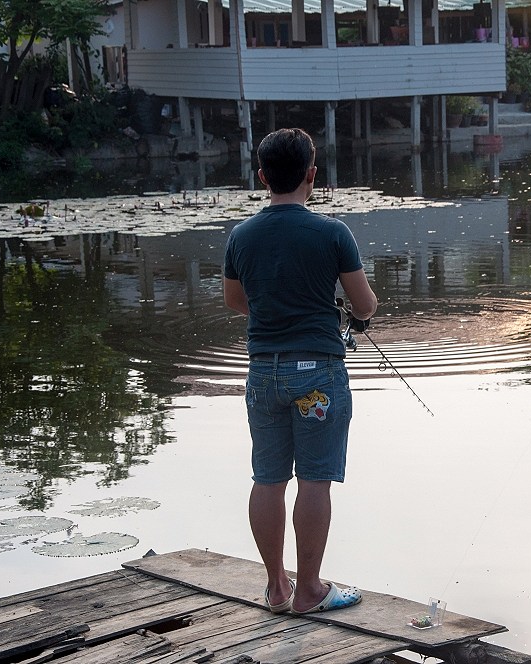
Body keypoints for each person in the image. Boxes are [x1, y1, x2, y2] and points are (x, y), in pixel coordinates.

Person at [223, 128, 377, 615]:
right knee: (314, 479)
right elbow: (365, 304)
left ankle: (276, 587)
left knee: (267, 478)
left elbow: (235, 302)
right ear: (313, 175)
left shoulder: (241, 236)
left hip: (262, 373)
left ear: (263, 176)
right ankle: (309, 590)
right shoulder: (333, 233)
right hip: (318, 374)